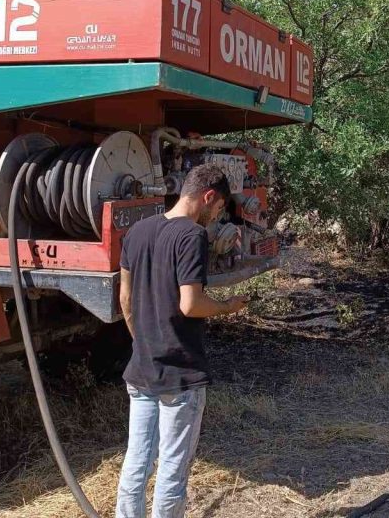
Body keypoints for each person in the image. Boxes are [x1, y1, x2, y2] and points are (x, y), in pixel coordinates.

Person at [116, 164, 249, 518]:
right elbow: (190, 304)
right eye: (218, 208)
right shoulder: (192, 236)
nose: (216, 216)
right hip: (179, 373)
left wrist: (144, 343)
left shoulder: (137, 231)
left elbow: (125, 299)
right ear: (208, 196)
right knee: (173, 471)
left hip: (142, 369)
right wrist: (228, 306)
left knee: (137, 461)